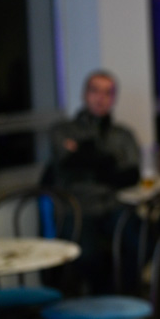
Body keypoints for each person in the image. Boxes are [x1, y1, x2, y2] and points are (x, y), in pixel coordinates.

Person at [44, 70, 141, 292]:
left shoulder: (123, 134)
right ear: (84, 94)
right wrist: (109, 162)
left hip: (113, 205)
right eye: (95, 91)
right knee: (87, 254)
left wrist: (84, 153)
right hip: (77, 208)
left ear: (114, 98)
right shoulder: (63, 130)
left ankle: (123, 299)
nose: (101, 98)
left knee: (142, 241)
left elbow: (131, 176)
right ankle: (103, 298)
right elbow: (69, 163)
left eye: (108, 93)